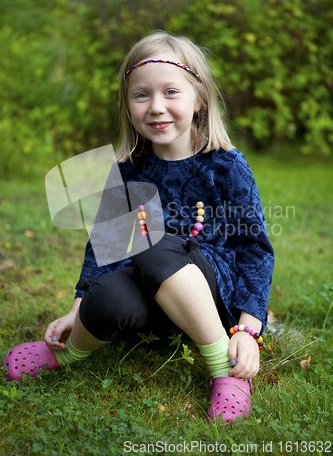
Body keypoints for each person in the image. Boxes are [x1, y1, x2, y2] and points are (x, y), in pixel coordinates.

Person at [3, 31, 274, 423]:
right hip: (153, 294)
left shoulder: (226, 165)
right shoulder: (129, 169)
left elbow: (255, 250)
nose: (157, 107)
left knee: (154, 243)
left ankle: (224, 369)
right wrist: (78, 308)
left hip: (210, 295)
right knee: (108, 293)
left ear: (198, 98)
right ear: (127, 105)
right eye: (142, 95)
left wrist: (248, 332)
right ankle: (67, 352)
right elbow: (107, 245)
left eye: (171, 92)